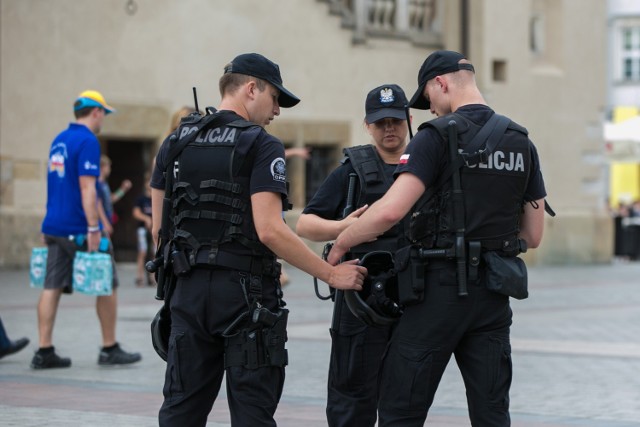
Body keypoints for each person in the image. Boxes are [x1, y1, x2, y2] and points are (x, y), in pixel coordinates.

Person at [328, 50, 547, 426]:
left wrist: (343, 243)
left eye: (428, 99)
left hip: (437, 292)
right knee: (492, 411)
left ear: (441, 84)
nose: (431, 109)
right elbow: (534, 233)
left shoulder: (433, 137)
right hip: (494, 295)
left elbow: (390, 211)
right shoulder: (520, 141)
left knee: (401, 409)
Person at [150, 53, 366, 427]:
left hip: (186, 291)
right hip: (244, 297)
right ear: (252, 89)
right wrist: (331, 275)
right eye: (275, 98)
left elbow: (161, 230)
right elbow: (269, 230)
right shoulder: (260, 143)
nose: (277, 111)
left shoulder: (176, 141)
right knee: (252, 412)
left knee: (180, 411)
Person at [296, 84, 410, 426]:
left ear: (408, 119)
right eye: (380, 122)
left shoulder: (424, 165)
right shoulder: (353, 169)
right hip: (360, 298)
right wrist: (343, 229)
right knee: (351, 399)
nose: (388, 128)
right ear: (367, 125)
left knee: (404, 400)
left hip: (413, 296)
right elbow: (304, 224)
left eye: (395, 120)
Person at [34, 90, 142, 369]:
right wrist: (94, 227)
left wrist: (46, 222)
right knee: (107, 284)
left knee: (52, 286)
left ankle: (44, 351)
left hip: (55, 226)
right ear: (96, 112)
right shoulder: (88, 141)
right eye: (103, 114)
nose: (103, 119)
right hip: (79, 227)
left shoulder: (59, 140)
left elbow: (56, 185)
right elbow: (87, 187)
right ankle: (109, 347)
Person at [97, 155, 132, 230]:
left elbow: (110, 199)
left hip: (106, 221)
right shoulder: (98, 184)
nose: (110, 169)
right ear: (102, 167)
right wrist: (105, 223)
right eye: (108, 167)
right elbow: (98, 204)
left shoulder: (104, 184)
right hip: (100, 224)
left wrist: (123, 189)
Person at [132, 174, 154, 286]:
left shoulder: (155, 198)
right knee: (142, 251)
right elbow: (136, 213)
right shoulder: (141, 199)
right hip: (142, 228)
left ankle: (152, 277)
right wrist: (146, 218)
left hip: (154, 229)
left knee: (155, 252)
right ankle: (139, 276)